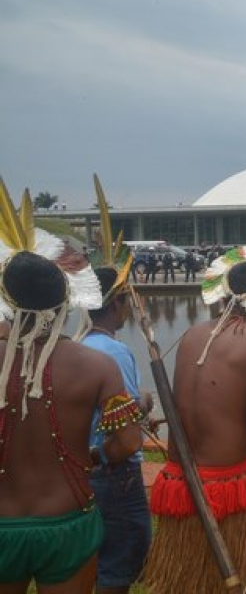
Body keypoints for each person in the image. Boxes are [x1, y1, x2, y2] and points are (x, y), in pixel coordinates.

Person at [0, 188, 144, 592]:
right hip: (70, 520)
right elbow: (129, 442)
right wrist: (95, 456)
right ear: (68, 298)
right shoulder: (97, 365)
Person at [144, 240, 246, 594]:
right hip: (228, 479)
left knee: (188, 582)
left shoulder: (190, 336)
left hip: (182, 474)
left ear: (223, 294)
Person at [80, 181, 154, 594]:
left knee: (94, 561)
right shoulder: (113, 351)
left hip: (85, 472)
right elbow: (123, 436)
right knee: (118, 569)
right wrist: (141, 408)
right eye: (126, 300)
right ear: (116, 304)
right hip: (114, 472)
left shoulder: (75, 347)